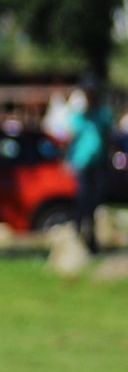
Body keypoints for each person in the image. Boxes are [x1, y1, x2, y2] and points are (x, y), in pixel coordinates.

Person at [65, 82, 114, 253]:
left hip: (99, 163)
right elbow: (71, 140)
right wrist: (69, 160)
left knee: (95, 202)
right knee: (83, 199)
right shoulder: (78, 117)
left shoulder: (103, 115)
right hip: (82, 163)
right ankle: (77, 232)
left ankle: (91, 239)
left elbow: (108, 137)